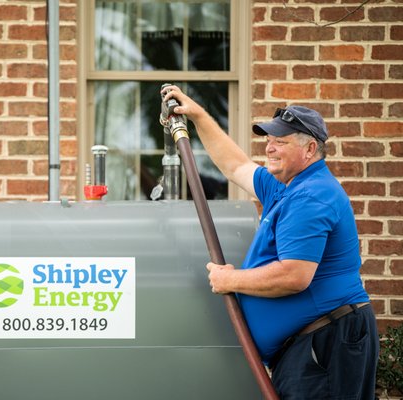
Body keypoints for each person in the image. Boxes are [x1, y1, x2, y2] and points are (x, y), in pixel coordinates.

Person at [162, 85, 379, 399]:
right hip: (310, 345)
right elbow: (235, 165)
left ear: (309, 150)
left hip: (326, 344)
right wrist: (197, 116)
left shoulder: (312, 195)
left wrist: (230, 279)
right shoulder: (286, 187)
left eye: (281, 142)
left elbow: (294, 276)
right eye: (269, 140)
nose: (270, 148)